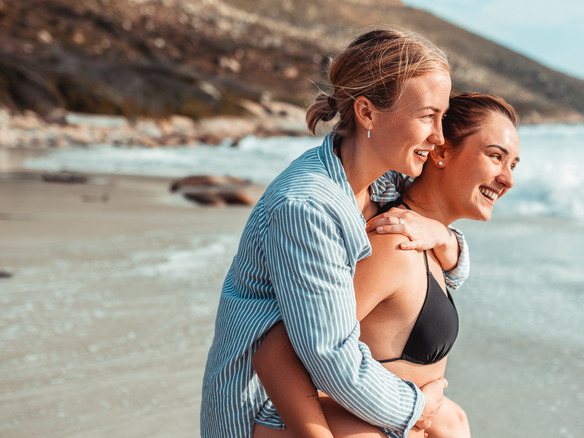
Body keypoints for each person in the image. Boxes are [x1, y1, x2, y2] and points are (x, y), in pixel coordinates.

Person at [201, 28, 472, 438]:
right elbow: (330, 355)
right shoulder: (308, 207)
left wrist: (446, 239)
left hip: (318, 392)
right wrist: (417, 408)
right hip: (262, 407)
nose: (438, 137)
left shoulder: (382, 185)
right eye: (426, 116)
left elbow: (431, 275)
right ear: (367, 113)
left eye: (442, 117)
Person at [252, 92, 521, 438]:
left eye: (512, 164)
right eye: (495, 156)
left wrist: (443, 236)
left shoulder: (426, 240)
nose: (508, 179)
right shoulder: (393, 241)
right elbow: (278, 350)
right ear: (439, 150)